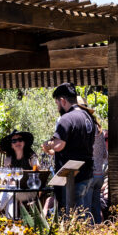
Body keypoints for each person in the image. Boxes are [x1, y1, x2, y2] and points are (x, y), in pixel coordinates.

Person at [41, 82, 95, 217]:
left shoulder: (66, 119)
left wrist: (47, 144)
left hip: (71, 178)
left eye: (57, 103)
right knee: (83, 215)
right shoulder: (87, 117)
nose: (57, 107)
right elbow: (75, 147)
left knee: (71, 217)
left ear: (63, 101)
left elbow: (59, 145)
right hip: (87, 173)